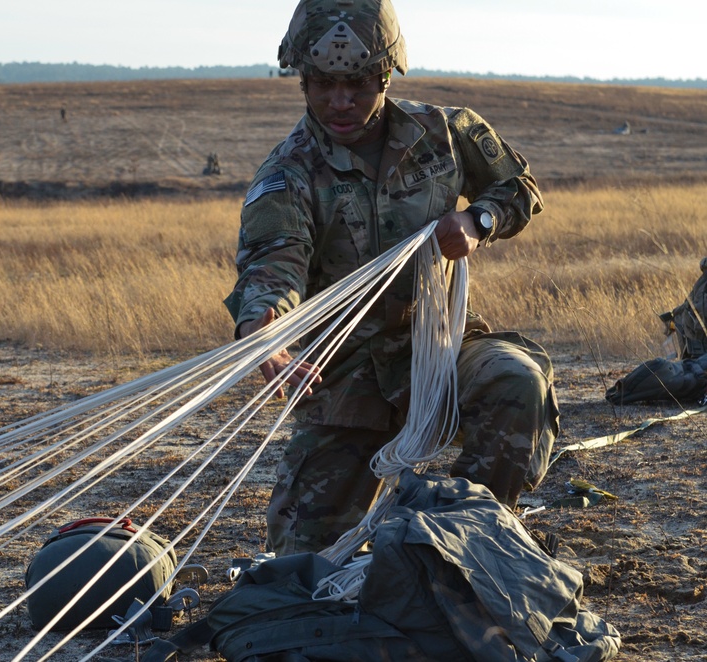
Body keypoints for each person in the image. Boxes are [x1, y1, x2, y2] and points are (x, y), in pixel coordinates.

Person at [223, 0, 559, 556]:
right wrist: (265, 329)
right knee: (302, 563)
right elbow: (272, 262)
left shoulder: (447, 133)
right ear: (302, 82)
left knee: (516, 380)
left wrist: (477, 222)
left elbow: (519, 188)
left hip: (442, 346)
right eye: (323, 85)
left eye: (357, 85)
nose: (340, 102)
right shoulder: (287, 174)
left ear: (385, 75)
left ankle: (477, 542)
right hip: (343, 376)